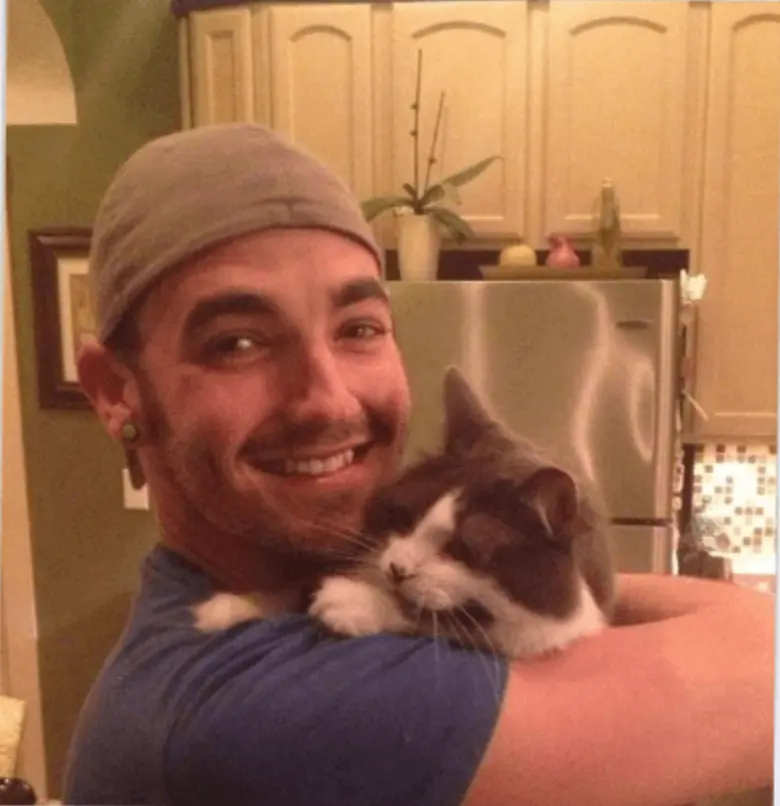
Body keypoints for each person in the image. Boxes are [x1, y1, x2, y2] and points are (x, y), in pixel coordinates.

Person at [63, 123, 774, 806]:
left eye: (360, 327)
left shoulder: (198, 614)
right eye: (237, 343)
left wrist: (513, 566)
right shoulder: (277, 707)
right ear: (114, 392)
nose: (327, 398)